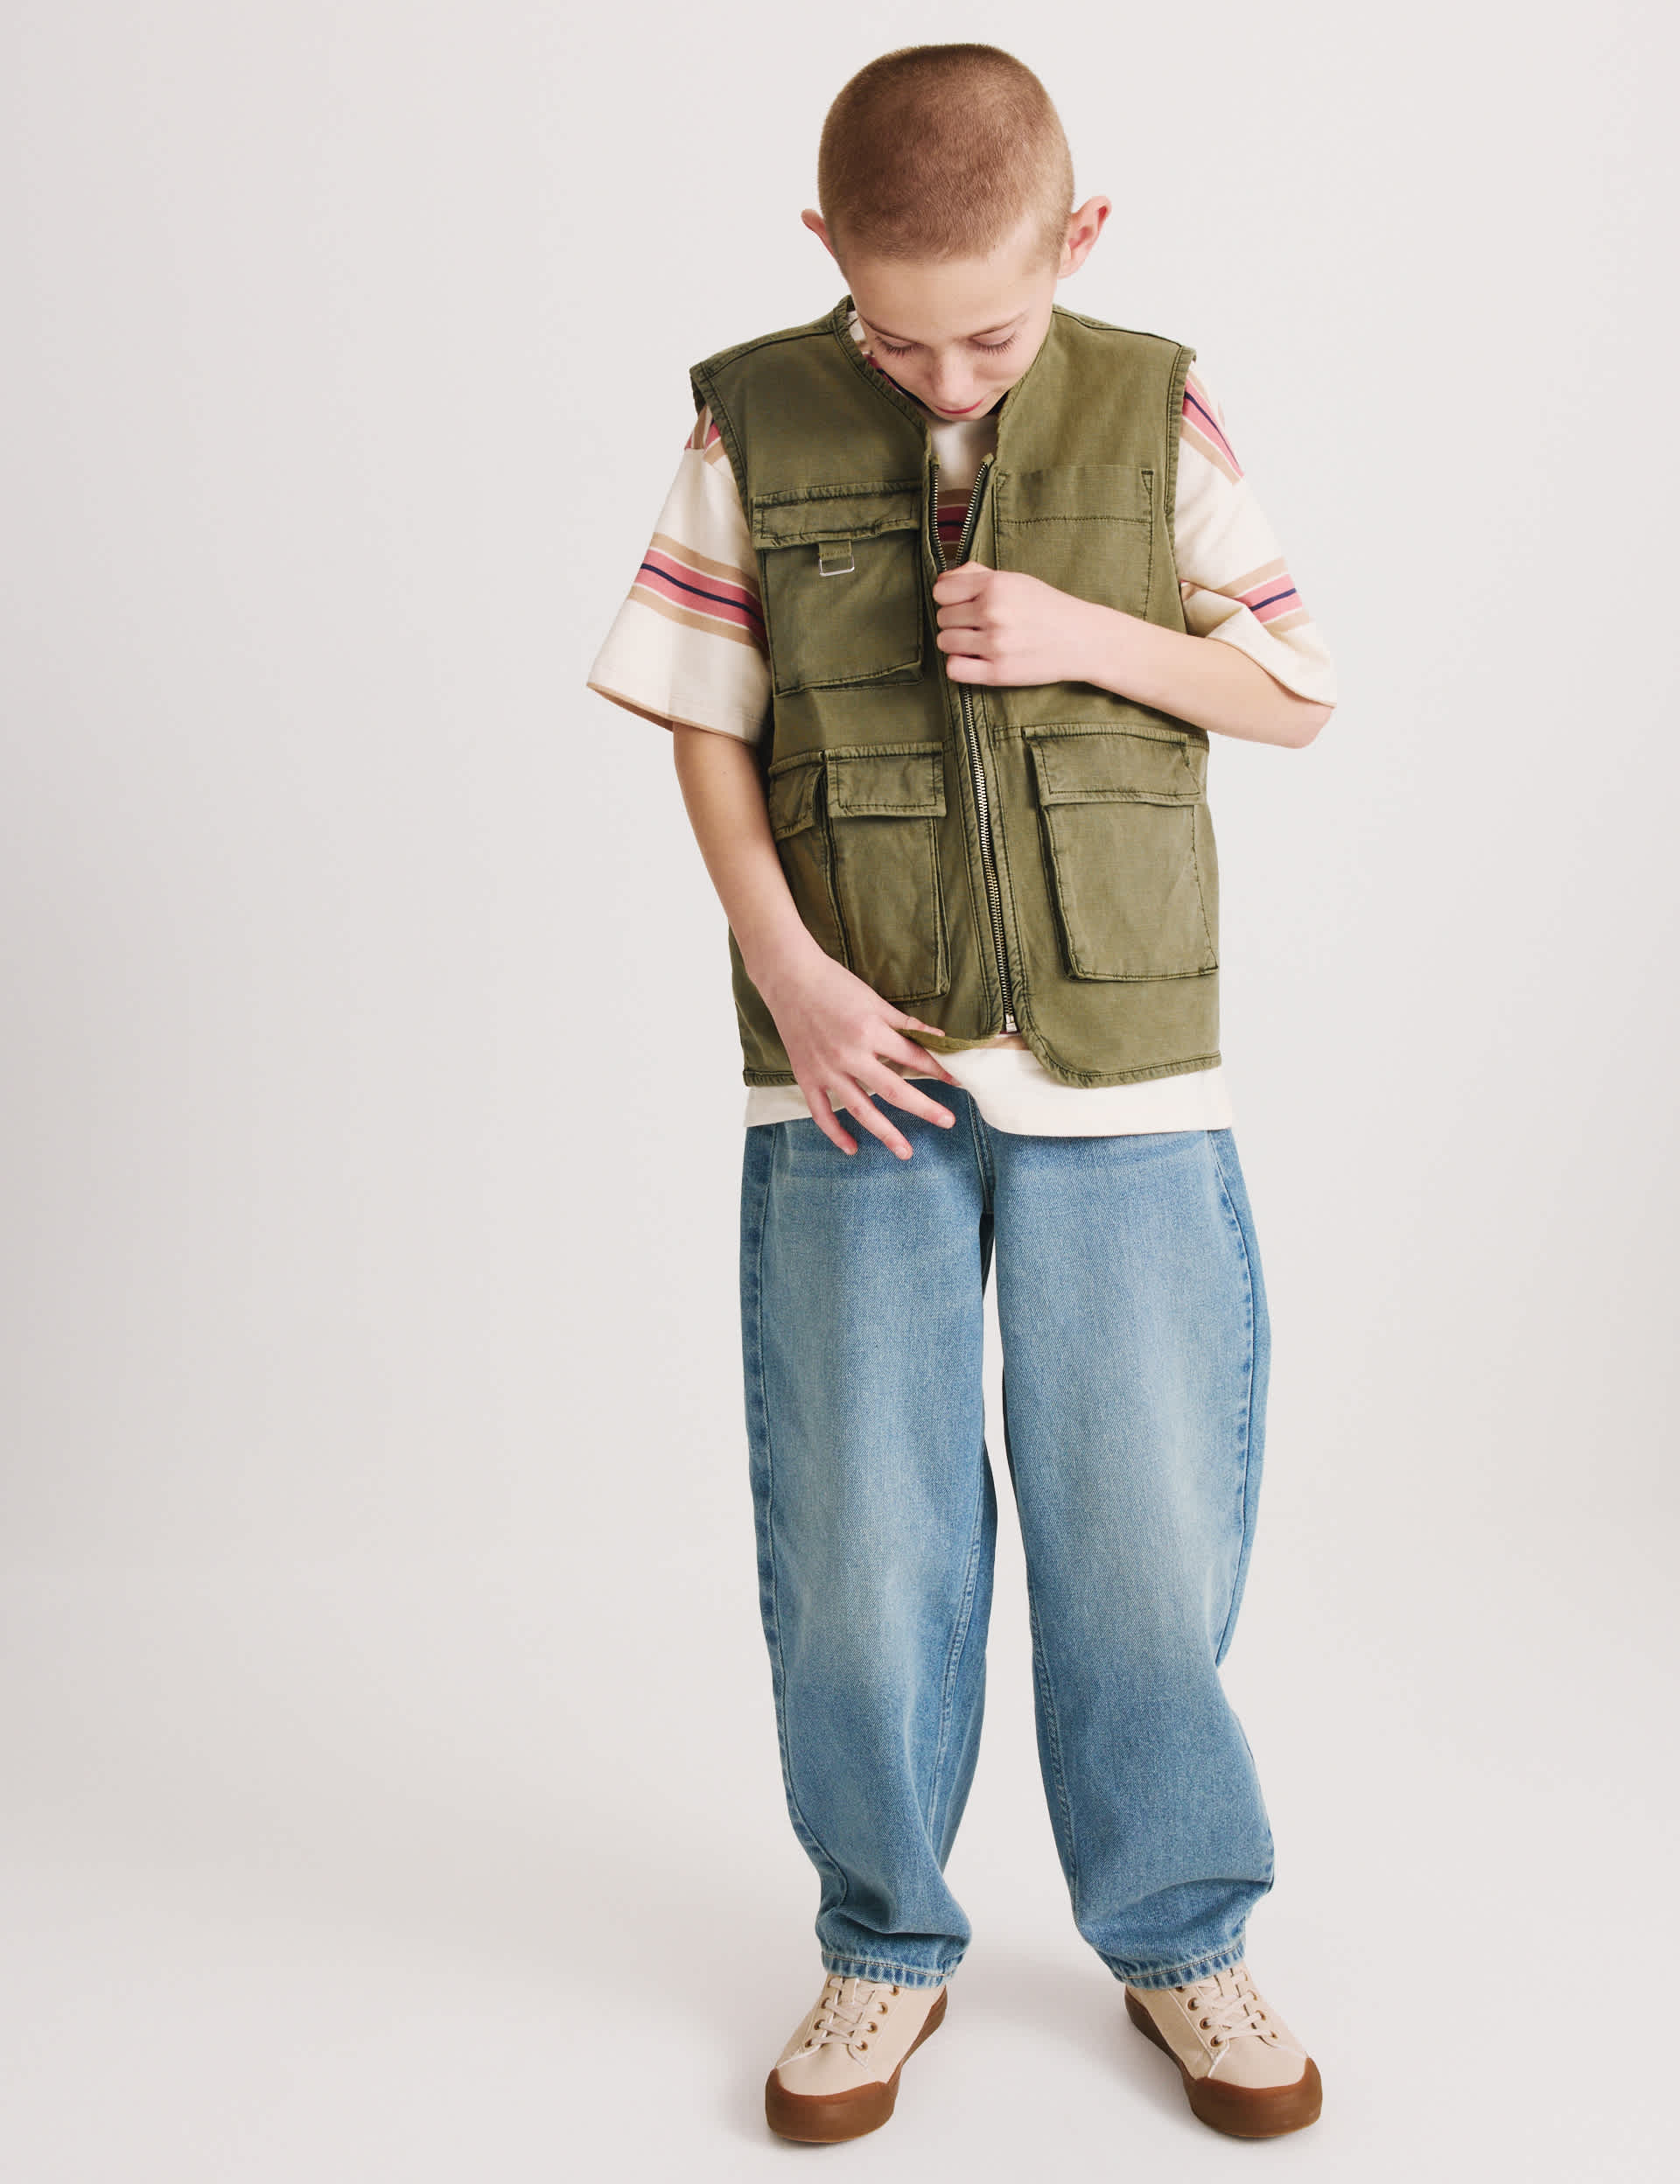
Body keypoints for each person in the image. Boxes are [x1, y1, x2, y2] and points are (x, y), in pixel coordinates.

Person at [586, 42, 1337, 2146]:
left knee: (1144, 1528)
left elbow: (1291, 690)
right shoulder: (749, 418)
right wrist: (792, 977)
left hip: (1124, 1064)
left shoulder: (1153, 403)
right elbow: (704, 717)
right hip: (852, 1070)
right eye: (896, 334)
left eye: (990, 336)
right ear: (822, 247)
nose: (942, 378)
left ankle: (1181, 1934)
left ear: (1078, 240)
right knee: (860, 1542)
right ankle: (882, 1943)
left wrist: (1089, 628)